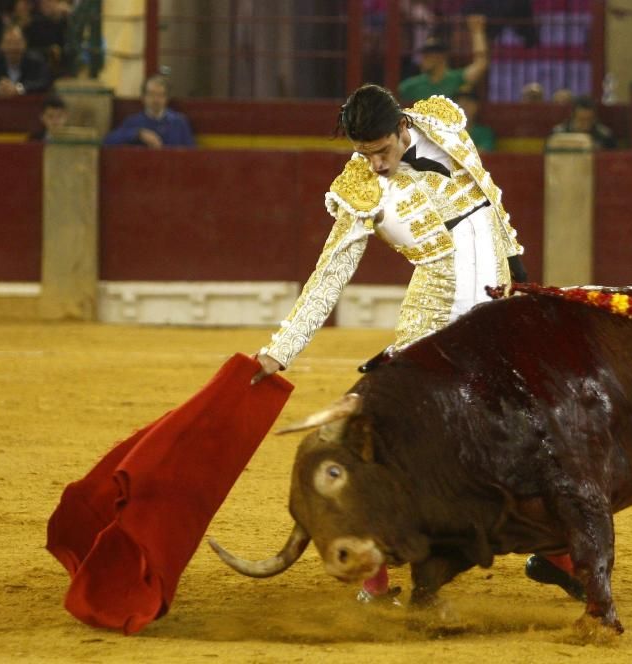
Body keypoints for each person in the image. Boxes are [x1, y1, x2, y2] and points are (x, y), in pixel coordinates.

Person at [249, 84, 527, 602]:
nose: (375, 165)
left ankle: (554, 554)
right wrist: (280, 349)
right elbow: (329, 274)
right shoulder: (358, 190)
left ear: (403, 128)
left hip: (493, 299)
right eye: (363, 154)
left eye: (381, 151)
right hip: (436, 307)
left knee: (527, 417)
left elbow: (487, 195)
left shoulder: (443, 124)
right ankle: (376, 575)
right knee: (395, 428)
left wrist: (514, 262)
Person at [398, 13, 488, 104]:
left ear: (441, 57)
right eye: (424, 55)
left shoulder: (455, 79)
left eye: (428, 55)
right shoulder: (410, 86)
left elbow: (481, 63)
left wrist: (477, 32)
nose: (423, 59)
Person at [103, 75, 196, 148]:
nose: (156, 99)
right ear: (143, 97)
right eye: (151, 94)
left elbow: (191, 153)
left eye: (160, 95)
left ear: (166, 98)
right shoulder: (133, 121)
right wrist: (138, 134)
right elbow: (108, 141)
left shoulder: (179, 122)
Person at [0, 24, 51, 96]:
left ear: (25, 44)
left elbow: (44, 83)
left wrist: (18, 88)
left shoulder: (36, 61)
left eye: (17, 43)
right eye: (9, 43)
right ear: (1, 45)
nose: (13, 48)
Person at [550, 95, 617, 149]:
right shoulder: (558, 134)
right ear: (573, 116)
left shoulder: (605, 136)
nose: (586, 124)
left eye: (589, 120)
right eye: (581, 120)